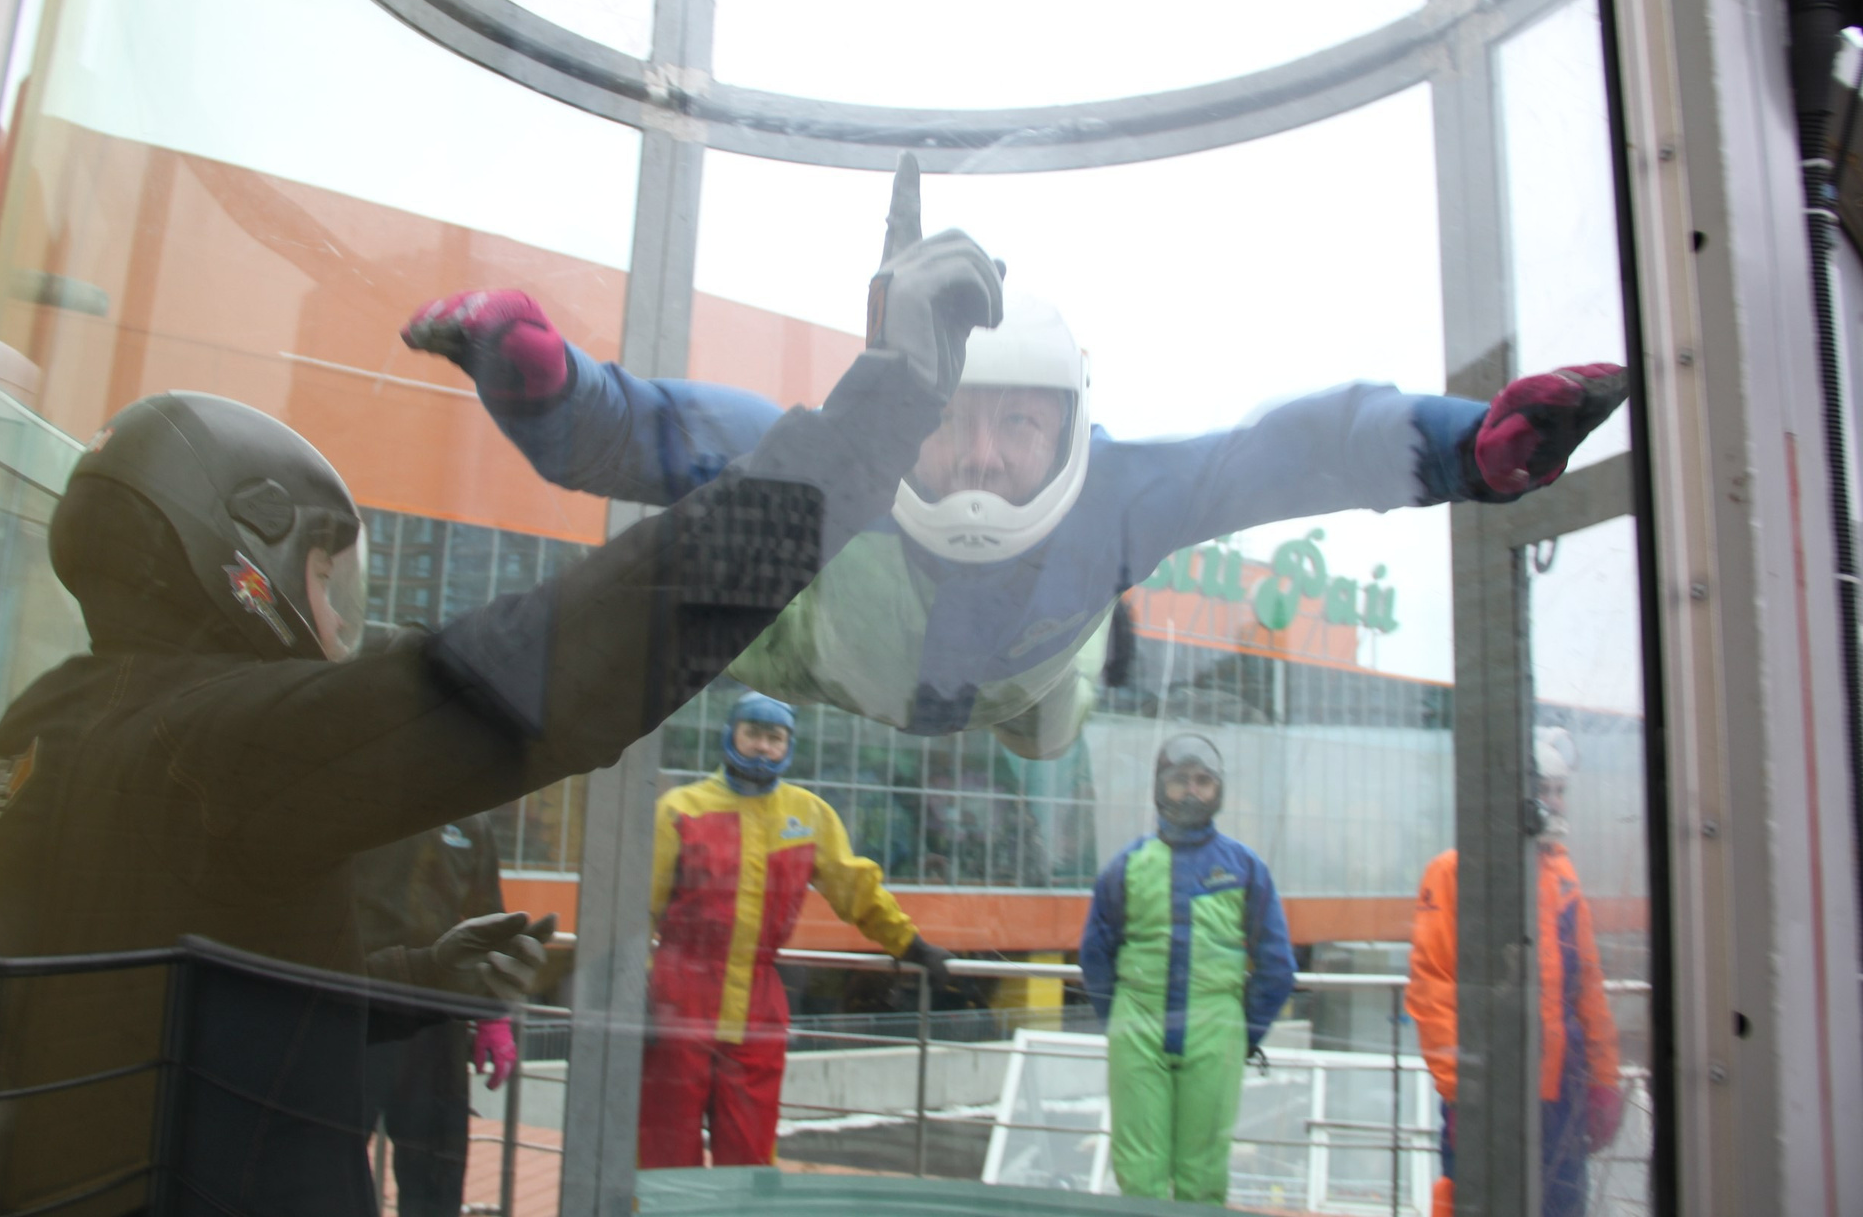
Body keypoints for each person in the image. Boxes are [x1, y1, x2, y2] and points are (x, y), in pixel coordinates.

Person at [0, 206, 1003, 1215]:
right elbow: (574, 655)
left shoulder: (23, 737)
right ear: (245, 554)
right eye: (328, 575)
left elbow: (179, 1002)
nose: (340, 618)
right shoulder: (217, 742)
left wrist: (418, 976)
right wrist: (880, 417)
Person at [402, 155, 1630, 759]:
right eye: (951, 418)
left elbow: (1293, 451)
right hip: (823, 651)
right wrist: (539, 381)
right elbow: (646, 428)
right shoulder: (835, 455)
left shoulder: (1124, 489)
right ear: (911, 399)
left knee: (1048, 731)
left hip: (1029, 689)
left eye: (1020, 424)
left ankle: (1107, 633)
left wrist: (1467, 447)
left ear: (1072, 426)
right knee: (695, 594)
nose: (982, 455)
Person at [638, 690, 953, 1168]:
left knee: (750, 1146)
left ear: (789, 745)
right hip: (677, 997)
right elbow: (640, 906)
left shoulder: (808, 815)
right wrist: (636, 984)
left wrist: (911, 944)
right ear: (730, 735)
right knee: (665, 1141)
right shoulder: (681, 810)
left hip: (760, 1007)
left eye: (775, 737)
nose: (763, 747)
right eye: (753, 733)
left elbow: (855, 889)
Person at [1406, 728, 1625, 1217]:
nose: (1555, 802)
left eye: (1560, 790)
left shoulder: (1562, 877)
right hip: (1489, 1091)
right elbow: (1433, 989)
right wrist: (1461, 1093)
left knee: (1562, 1207)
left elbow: (1588, 989)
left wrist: (1603, 1079)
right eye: (1545, 789)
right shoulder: (1455, 872)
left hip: (1561, 1093)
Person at [1079, 734, 1295, 1205]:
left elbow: (1278, 965)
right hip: (1137, 1026)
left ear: (1219, 789)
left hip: (1216, 1029)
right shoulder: (1126, 867)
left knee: (1203, 1178)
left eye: (1203, 780)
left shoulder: (1245, 868)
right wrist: (1123, 1020)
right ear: (1159, 786)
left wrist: (1241, 1032)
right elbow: (1095, 955)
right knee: (1139, 1176)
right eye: (1180, 780)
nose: (1191, 791)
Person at [356, 814, 525, 1217]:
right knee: (325, 1164)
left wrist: (493, 1015)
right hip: (356, 1006)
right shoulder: (359, 801)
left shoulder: (470, 819)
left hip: (436, 1021)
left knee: (436, 1175)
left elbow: (489, 917)